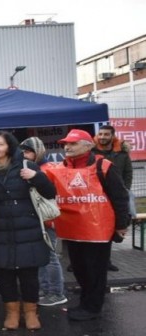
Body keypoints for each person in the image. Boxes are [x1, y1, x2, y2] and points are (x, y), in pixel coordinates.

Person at [46, 129, 130, 321]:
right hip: (73, 231)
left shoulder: (104, 166)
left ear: (88, 145)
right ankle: (85, 302)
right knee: (79, 269)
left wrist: (121, 225)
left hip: (98, 231)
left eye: (73, 143)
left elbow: (120, 197)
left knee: (95, 271)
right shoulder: (59, 168)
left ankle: (92, 308)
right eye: (65, 143)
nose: (67, 147)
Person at [0, 131, 56, 331]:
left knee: (29, 275)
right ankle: (11, 313)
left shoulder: (26, 166)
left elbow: (50, 192)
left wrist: (37, 177)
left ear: (9, 147)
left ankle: (31, 312)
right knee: (4, 276)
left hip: (28, 230)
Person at [20, 137, 68, 307]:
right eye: (22, 152)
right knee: (41, 257)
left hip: (47, 221)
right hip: (38, 220)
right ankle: (45, 289)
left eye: (27, 151)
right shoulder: (33, 168)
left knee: (50, 257)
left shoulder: (46, 170)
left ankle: (56, 293)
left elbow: (53, 195)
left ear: (37, 151)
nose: (24, 155)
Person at [92, 125, 133, 272]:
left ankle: (106, 261)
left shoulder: (122, 154)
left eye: (106, 134)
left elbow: (128, 173)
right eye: (100, 134)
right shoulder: (91, 152)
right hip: (95, 197)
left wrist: (124, 190)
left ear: (112, 136)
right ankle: (81, 261)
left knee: (109, 229)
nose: (102, 137)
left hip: (114, 198)